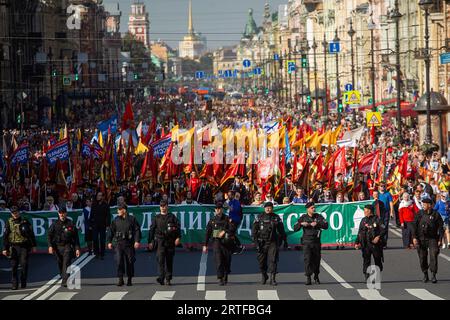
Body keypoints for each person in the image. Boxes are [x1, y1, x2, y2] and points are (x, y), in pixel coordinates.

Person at [293, 202, 329, 285]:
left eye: (314, 207)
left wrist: (318, 223)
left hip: (316, 242)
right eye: (312, 208)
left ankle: (316, 276)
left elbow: (326, 225)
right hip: (306, 242)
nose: (314, 209)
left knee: (316, 260)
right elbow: (295, 228)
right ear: (308, 209)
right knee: (307, 259)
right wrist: (301, 224)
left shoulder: (318, 217)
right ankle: (308, 277)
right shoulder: (303, 217)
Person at [252, 202, 287, 286]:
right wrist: (256, 242)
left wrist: (285, 241)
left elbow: (281, 230)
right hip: (261, 242)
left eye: (270, 207)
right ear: (264, 208)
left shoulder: (276, 218)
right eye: (266, 207)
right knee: (261, 262)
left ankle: (273, 278)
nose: (268, 209)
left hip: (273, 242)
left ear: (272, 208)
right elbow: (254, 231)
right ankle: (264, 275)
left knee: (273, 260)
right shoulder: (259, 217)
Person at [148, 200, 182, 286]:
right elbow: (151, 230)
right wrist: (150, 242)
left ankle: (168, 278)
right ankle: (161, 277)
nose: (163, 207)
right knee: (160, 260)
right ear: (159, 207)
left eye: (164, 206)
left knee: (169, 261)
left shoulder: (172, 217)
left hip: (170, 241)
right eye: (161, 206)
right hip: (160, 241)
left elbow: (178, 228)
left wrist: (178, 237)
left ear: (167, 206)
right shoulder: (156, 218)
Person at [2, 206, 37, 290]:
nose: (15, 214)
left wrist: (34, 245)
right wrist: (4, 248)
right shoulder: (9, 222)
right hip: (13, 246)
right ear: (11, 213)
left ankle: (23, 280)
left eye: (16, 212)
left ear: (19, 212)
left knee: (24, 264)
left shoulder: (24, 221)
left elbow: (31, 233)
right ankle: (14, 284)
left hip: (24, 246)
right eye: (13, 213)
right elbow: (5, 236)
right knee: (14, 266)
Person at [412, 198, 444, 283]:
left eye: (425, 204)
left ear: (430, 205)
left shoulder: (436, 214)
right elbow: (414, 226)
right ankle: (425, 274)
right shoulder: (419, 214)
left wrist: (440, 239)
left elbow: (441, 228)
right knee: (422, 257)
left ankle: (433, 274)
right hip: (421, 239)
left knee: (434, 255)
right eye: (423, 204)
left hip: (432, 238)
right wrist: (414, 237)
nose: (423, 205)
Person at [107, 204, 141, 286]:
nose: (118, 211)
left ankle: (129, 279)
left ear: (124, 210)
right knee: (119, 261)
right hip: (119, 243)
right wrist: (109, 242)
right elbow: (111, 231)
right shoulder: (115, 220)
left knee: (130, 261)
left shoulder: (132, 219)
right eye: (118, 209)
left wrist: (137, 241)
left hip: (129, 244)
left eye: (119, 209)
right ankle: (120, 278)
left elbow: (137, 230)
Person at [203, 202, 236, 285]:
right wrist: (205, 245)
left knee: (227, 260)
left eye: (220, 208)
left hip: (227, 243)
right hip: (217, 242)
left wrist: (224, 231)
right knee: (218, 260)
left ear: (222, 209)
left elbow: (232, 228)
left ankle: (226, 275)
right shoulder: (212, 220)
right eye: (217, 209)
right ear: (215, 210)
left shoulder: (227, 219)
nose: (218, 210)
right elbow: (208, 233)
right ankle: (220, 278)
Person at [47, 207, 81, 287]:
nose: (62, 214)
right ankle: (63, 274)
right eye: (60, 213)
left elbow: (76, 238)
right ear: (58, 214)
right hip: (57, 247)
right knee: (60, 262)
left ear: (66, 213)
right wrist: (50, 246)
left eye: (63, 213)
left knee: (66, 263)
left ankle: (65, 280)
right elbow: (49, 235)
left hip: (67, 246)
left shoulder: (70, 223)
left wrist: (77, 249)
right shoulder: (55, 224)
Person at [354, 205, 386, 281]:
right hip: (365, 243)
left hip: (375, 244)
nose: (364, 212)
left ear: (370, 211)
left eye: (366, 210)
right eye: (364, 210)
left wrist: (378, 237)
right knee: (366, 260)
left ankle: (376, 275)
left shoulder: (377, 219)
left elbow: (384, 229)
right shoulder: (363, 220)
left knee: (377, 259)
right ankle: (366, 275)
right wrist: (356, 242)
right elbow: (360, 232)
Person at [90, 192, 110, 259]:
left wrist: (107, 225)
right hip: (95, 224)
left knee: (102, 239)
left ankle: (102, 253)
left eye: (100, 195)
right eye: (98, 195)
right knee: (95, 238)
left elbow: (108, 215)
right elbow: (91, 215)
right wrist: (91, 223)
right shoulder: (94, 204)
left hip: (103, 224)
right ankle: (96, 252)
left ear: (103, 197)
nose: (98, 197)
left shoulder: (106, 205)